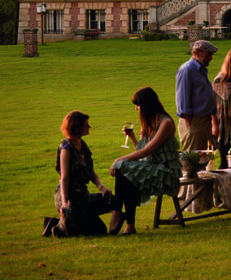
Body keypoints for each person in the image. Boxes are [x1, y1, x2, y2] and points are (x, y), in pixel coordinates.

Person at [108, 87, 181, 235]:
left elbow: (147, 151)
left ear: (147, 105)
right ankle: (127, 221)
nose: (136, 109)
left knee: (123, 167)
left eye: (138, 105)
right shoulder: (147, 122)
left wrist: (118, 159)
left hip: (166, 169)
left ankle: (119, 213)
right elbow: (142, 152)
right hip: (152, 164)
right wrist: (134, 137)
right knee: (125, 170)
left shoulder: (165, 122)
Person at [45, 110, 117, 237]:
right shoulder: (66, 148)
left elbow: (90, 171)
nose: (89, 127)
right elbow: (65, 177)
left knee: (110, 207)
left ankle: (77, 220)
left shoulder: (82, 144)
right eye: (86, 124)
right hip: (70, 197)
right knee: (76, 232)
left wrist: (101, 187)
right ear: (77, 127)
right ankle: (57, 226)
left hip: (84, 196)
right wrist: (65, 202)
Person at [175, 39, 219, 151]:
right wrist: (191, 127)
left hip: (204, 121)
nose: (211, 57)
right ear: (197, 52)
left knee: (204, 160)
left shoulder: (201, 69)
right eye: (208, 54)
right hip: (194, 122)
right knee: (192, 160)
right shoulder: (187, 70)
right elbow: (183, 102)